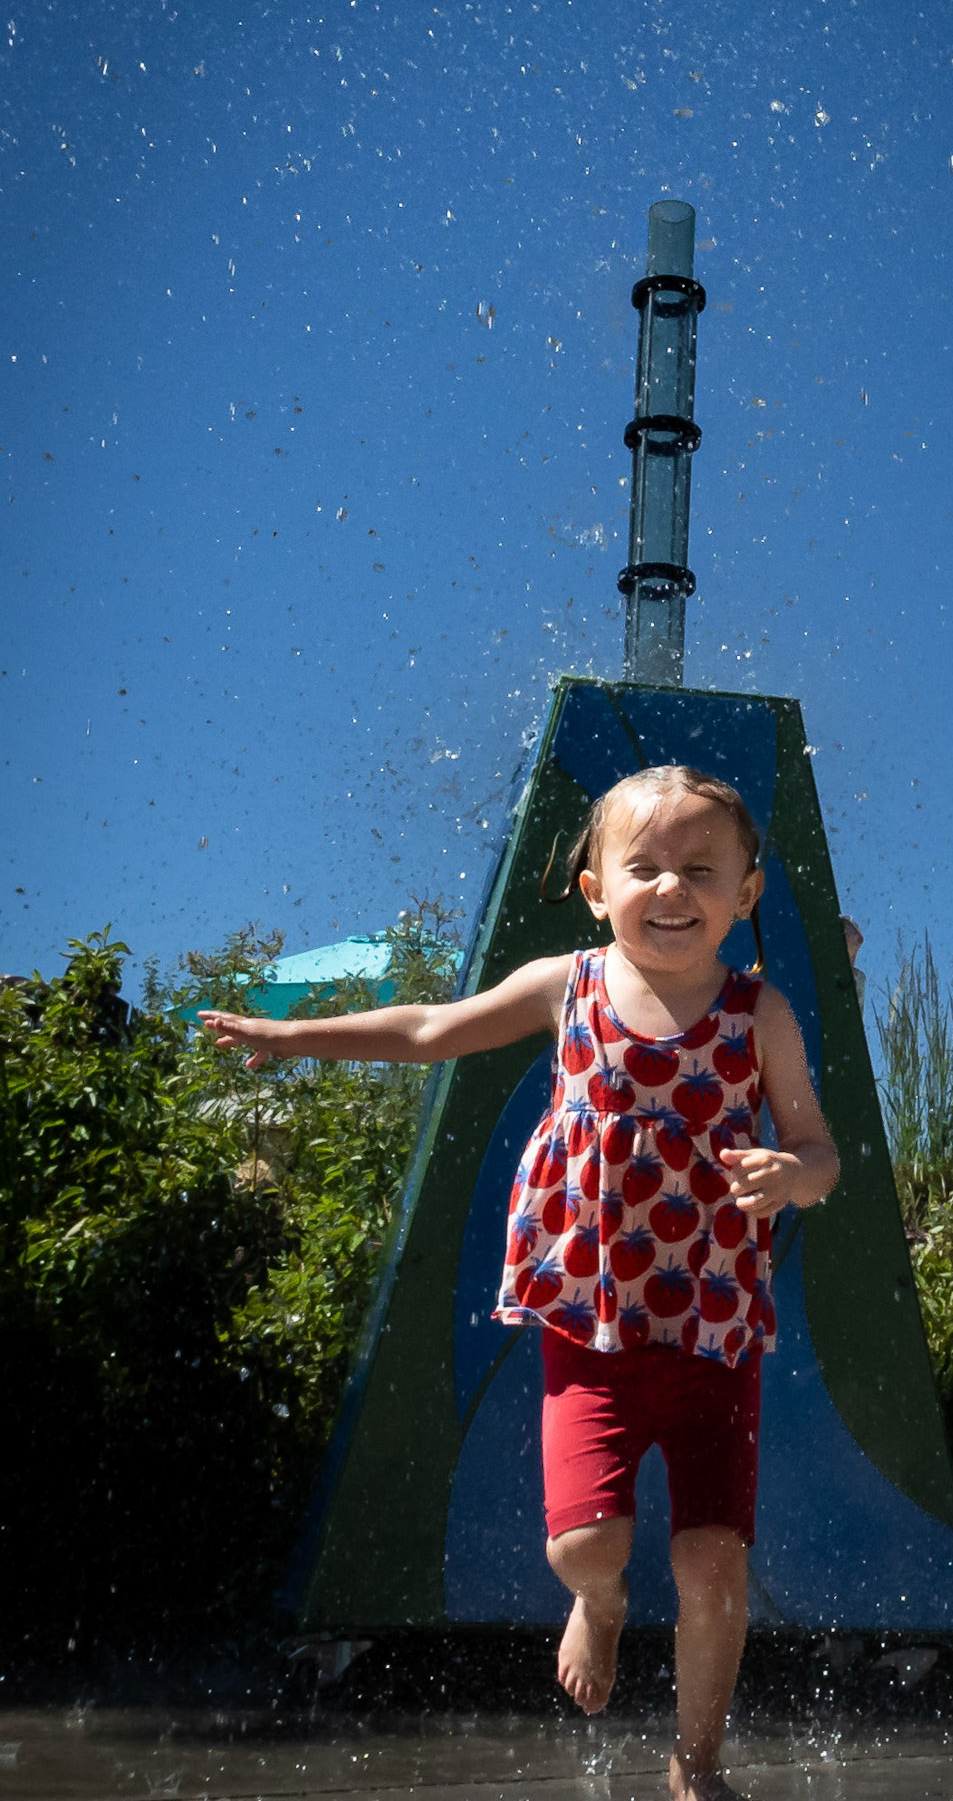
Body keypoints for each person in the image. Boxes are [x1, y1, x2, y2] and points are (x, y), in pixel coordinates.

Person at [200, 764, 839, 1801]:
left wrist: (797, 1175)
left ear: (747, 891)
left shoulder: (757, 1015)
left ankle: (698, 1759)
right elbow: (427, 1029)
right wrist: (293, 1034)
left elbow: (818, 1145)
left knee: (715, 1561)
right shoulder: (568, 985)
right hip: (590, 1322)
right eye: (645, 867)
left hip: (712, 1327)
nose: (671, 887)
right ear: (595, 886)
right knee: (586, 1541)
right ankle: (600, 1601)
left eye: (700, 868)